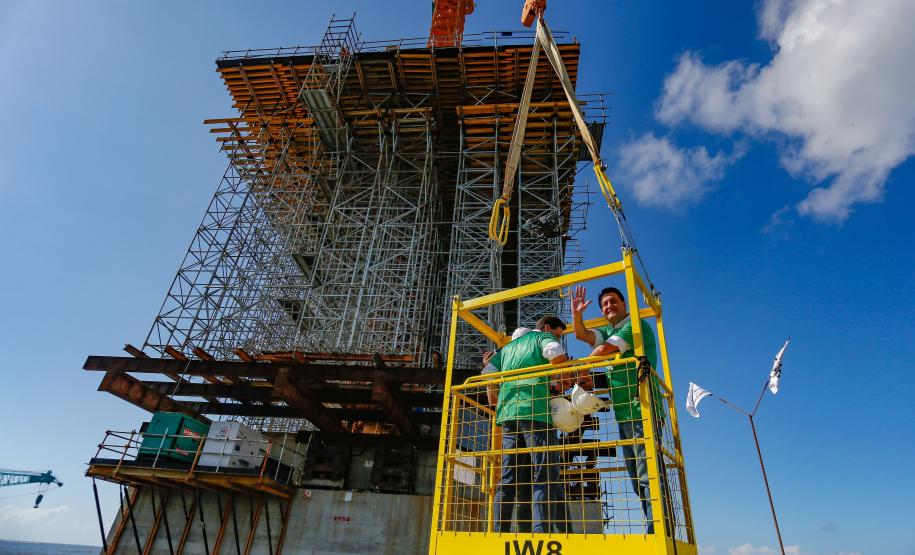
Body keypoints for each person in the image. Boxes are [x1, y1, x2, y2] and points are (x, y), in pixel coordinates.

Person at [570, 285, 666, 534]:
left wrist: (581, 368)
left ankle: (657, 532)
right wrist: (577, 315)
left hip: (642, 409)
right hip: (625, 412)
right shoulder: (610, 330)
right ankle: (652, 528)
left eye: (613, 301)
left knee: (648, 476)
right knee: (637, 477)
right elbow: (582, 336)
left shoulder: (633, 325)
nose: (608, 306)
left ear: (624, 304)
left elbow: (604, 350)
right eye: (604, 304)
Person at [483, 316, 568, 533]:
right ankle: (542, 534)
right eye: (559, 333)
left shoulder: (507, 349)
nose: (559, 337)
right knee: (544, 474)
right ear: (547, 328)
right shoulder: (542, 337)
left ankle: (498, 533)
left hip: (508, 415)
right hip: (535, 412)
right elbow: (556, 353)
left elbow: (488, 374)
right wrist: (564, 374)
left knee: (508, 477)